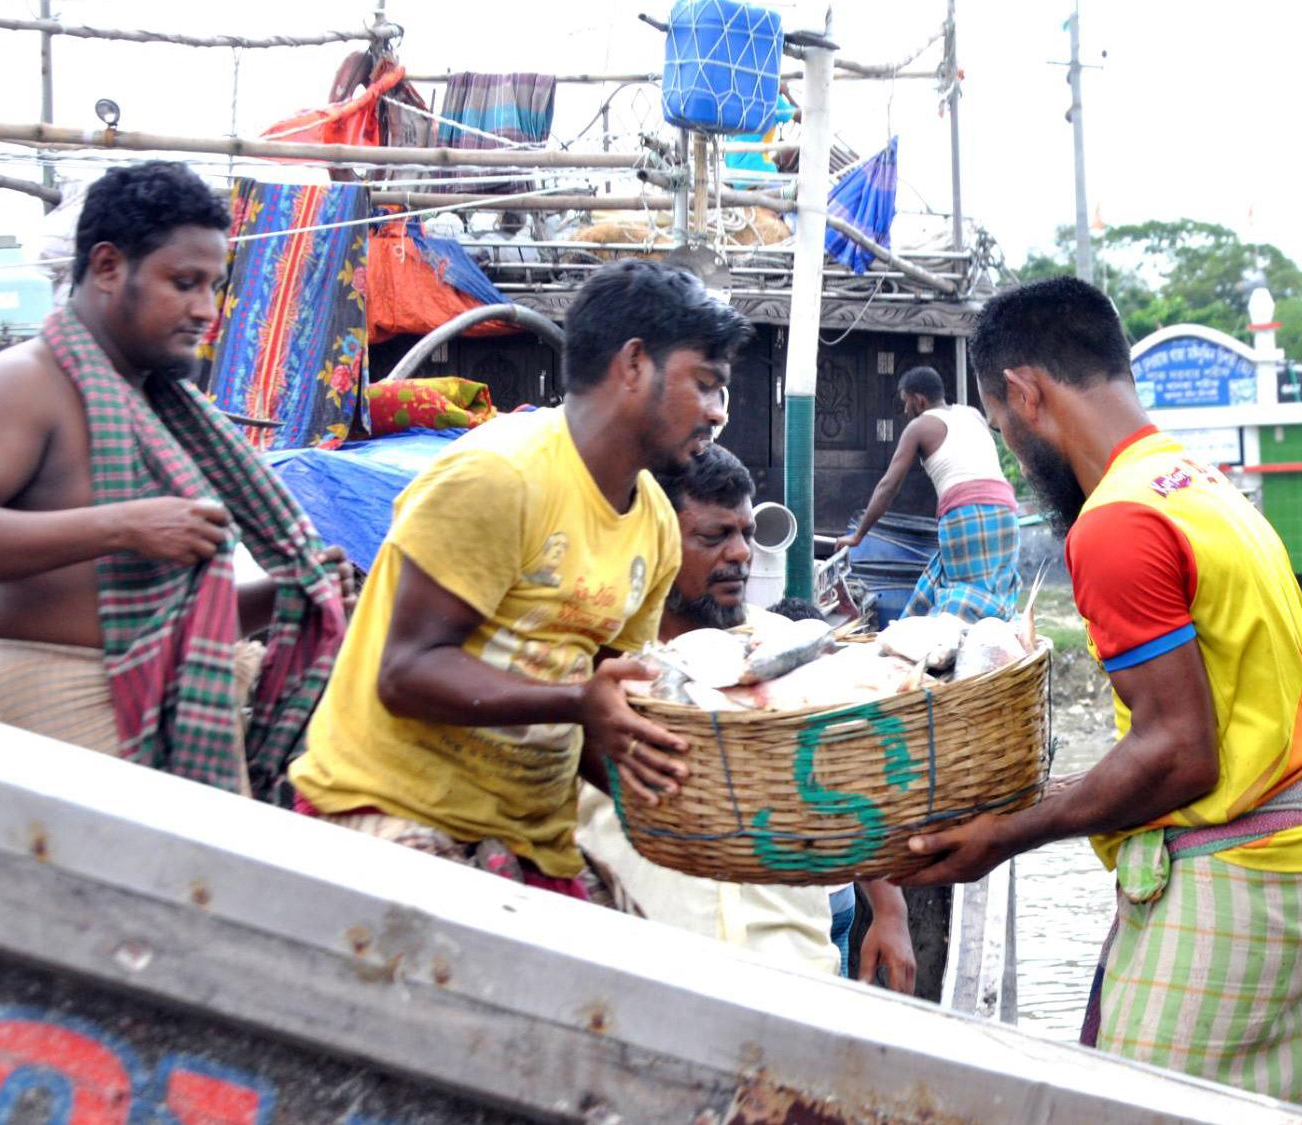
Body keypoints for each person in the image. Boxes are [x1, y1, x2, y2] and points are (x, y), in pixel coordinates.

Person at [901, 277, 1302, 1107]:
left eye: (1001, 428)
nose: (1013, 455)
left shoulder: (1116, 521)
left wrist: (1011, 830)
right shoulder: (1204, 488)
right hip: (1297, 871)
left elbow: (1180, 750)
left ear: (1026, 395)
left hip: (1225, 890)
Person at [288, 259, 747, 898]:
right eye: (705, 384)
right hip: (387, 815)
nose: (717, 412)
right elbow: (405, 671)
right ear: (635, 364)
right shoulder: (498, 476)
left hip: (531, 839)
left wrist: (687, 788)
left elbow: (605, 706)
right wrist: (575, 701)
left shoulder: (654, 527)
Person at [0, 161, 349, 800]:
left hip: (155, 700)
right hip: (51, 702)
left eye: (213, 286)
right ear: (108, 268)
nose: (205, 311)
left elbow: (166, 615)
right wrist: (122, 526)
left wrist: (286, 594)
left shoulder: (162, 410)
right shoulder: (21, 383)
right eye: (184, 283)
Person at [575, 444, 916, 990]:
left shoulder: (794, 647)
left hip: (794, 973)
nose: (740, 555)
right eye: (715, 537)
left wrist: (891, 912)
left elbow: (855, 780)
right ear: (652, 540)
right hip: (647, 979)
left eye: (747, 535)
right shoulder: (599, 669)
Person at [834, 366, 1019, 622]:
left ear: (919, 400)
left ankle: (951, 653)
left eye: (905, 403)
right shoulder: (972, 414)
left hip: (967, 517)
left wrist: (858, 535)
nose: (905, 411)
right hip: (1007, 513)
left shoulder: (920, 426)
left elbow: (888, 487)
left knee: (964, 599)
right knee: (991, 591)